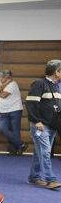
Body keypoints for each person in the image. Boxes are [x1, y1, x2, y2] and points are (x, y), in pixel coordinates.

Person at [25, 59, 61, 189]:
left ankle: (33, 177)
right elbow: (31, 104)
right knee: (45, 152)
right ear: (57, 72)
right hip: (41, 126)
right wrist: (37, 121)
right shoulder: (39, 84)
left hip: (52, 126)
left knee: (39, 152)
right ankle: (51, 180)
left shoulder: (55, 86)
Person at [0, 69, 27, 155]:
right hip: (3, 111)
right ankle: (21, 144)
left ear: (8, 78)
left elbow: (3, 95)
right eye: (0, 77)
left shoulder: (13, 84)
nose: (0, 79)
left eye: (3, 77)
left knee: (15, 130)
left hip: (15, 110)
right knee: (3, 129)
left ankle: (14, 150)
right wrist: (4, 84)